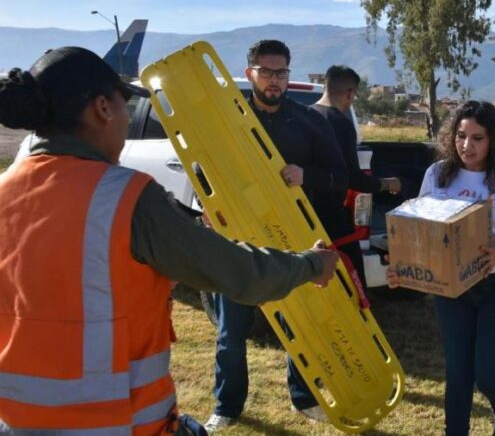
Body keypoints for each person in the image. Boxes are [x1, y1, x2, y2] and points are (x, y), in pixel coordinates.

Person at [0, 47, 338, 435]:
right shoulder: (123, 196)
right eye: (124, 106)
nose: (127, 120)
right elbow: (238, 273)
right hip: (113, 424)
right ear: (103, 109)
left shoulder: (5, 190)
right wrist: (311, 265)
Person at [207, 40, 349, 431]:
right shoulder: (228, 119)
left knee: (300, 325)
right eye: (266, 72)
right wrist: (209, 207)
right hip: (238, 241)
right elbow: (205, 170)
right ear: (249, 72)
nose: (275, 80)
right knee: (231, 332)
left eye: (281, 72)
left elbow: (340, 176)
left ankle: (304, 398)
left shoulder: (310, 121)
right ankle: (227, 406)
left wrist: (307, 175)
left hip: (294, 238)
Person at [390, 100, 495, 436]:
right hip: (452, 290)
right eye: (461, 136)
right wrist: (406, 267)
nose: (466, 145)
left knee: (489, 375)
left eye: (477, 138)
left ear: (493, 140)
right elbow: (422, 227)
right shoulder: (437, 174)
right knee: (458, 373)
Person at [311, 64, 401, 288]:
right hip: (332, 217)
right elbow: (353, 178)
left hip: (304, 214)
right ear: (350, 93)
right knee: (353, 280)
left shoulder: (307, 115)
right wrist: (386, 184)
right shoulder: (340, 123)